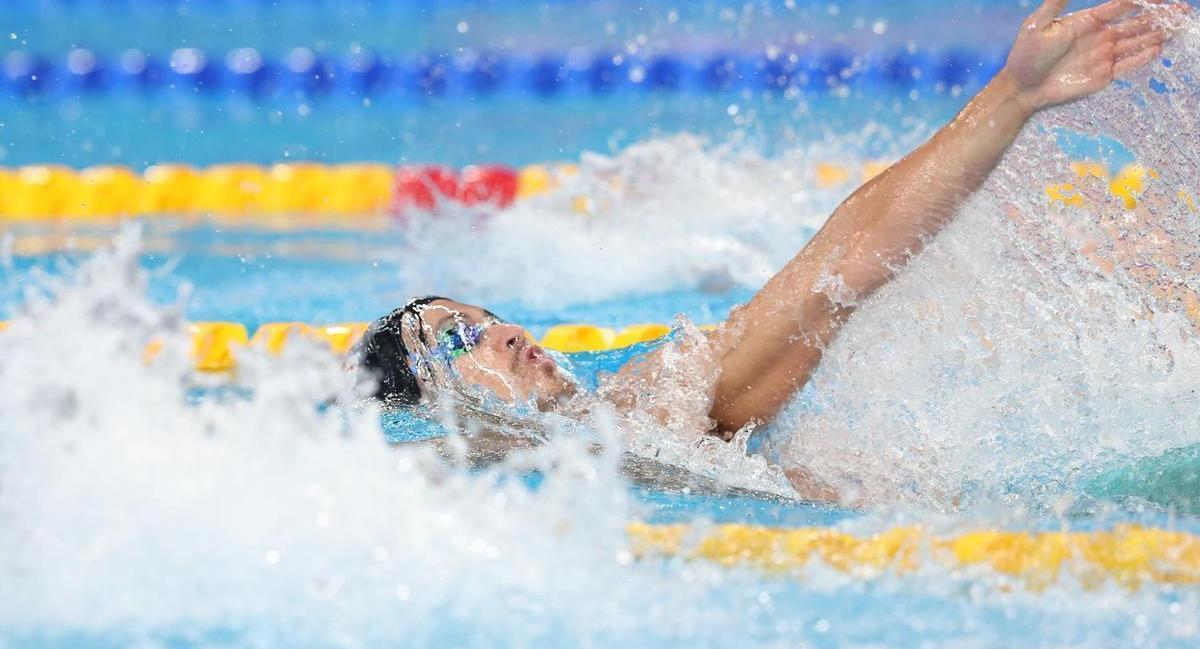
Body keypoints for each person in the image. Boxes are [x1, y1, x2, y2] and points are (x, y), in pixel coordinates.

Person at [355, 0, 1187, 492]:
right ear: (425, 399)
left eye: (484, 314)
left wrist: (1011, 97)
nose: (502, 330)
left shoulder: (643, 404)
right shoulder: (470, 468)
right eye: (457, 339)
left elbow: (839, 267)